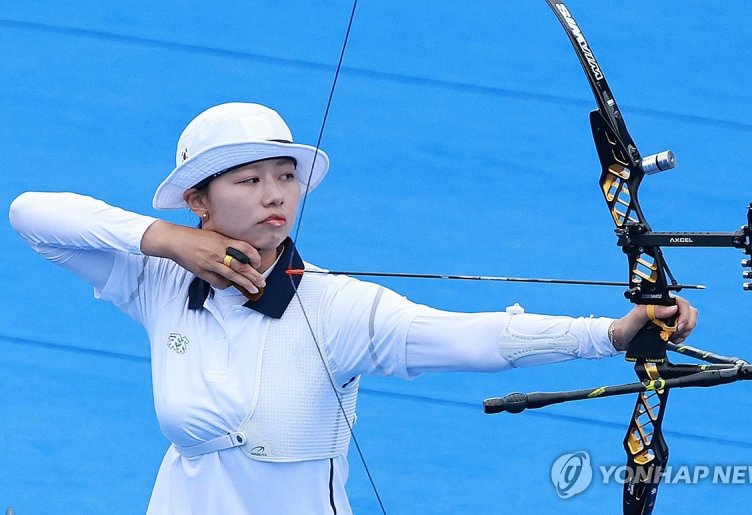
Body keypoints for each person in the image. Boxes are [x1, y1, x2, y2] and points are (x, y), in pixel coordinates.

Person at [9, 102, 698, 514]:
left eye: (286, 176)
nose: (276, 193)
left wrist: (610, 332)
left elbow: (473, 338)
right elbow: (31, 214)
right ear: (199, 201)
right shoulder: (158, 281)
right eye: (249, 180)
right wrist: (164, 242)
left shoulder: (337, 306)